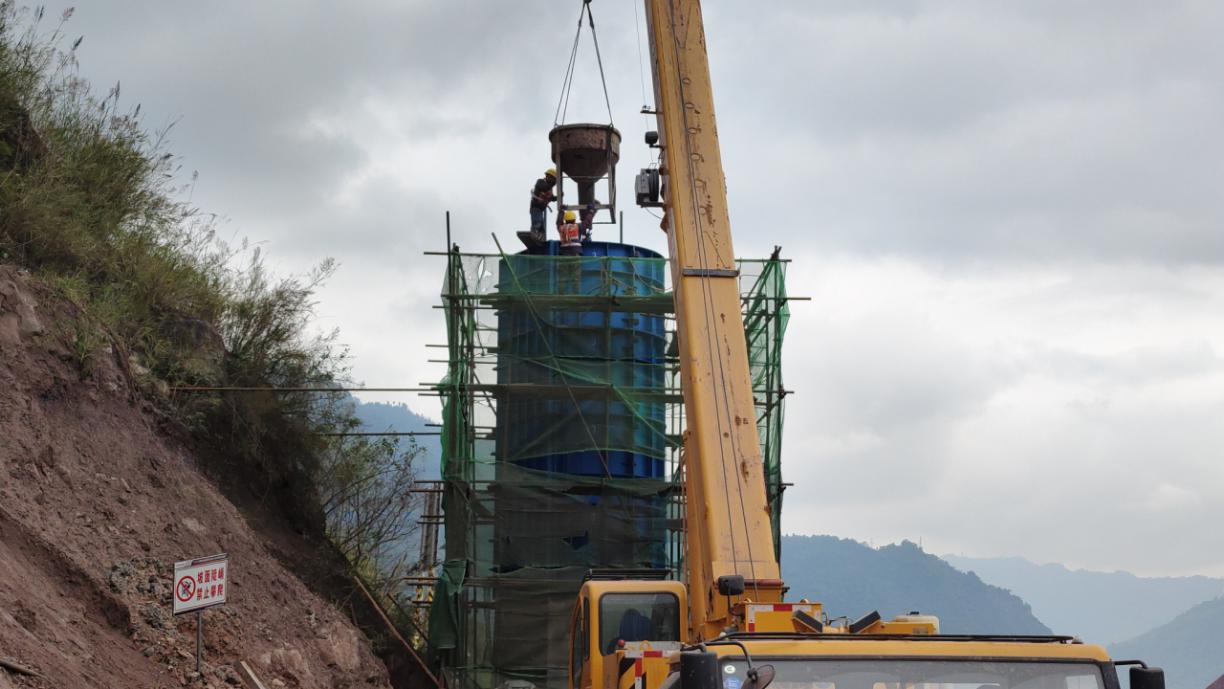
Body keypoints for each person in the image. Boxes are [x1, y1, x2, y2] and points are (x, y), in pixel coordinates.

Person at [529, 168, 558, 240]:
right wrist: (552, 185)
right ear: (549, 177)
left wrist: (558, 197)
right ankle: (534, 234)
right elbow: (544, 187)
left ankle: (540, 238)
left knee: (542, 228)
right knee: (537, 222)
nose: (554, 182)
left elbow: (551, 198)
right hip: (535, 207)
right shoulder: (540, 182)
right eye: (554, 179)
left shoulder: (549, 188)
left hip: (540, 209)